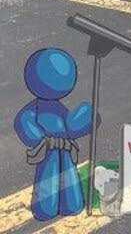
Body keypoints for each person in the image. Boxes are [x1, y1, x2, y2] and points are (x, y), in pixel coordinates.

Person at [14, 48, 94, 220]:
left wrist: (86, 117)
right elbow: (26, 120)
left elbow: (70, 124)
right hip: (49, 148)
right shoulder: (36, 108)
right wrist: (39, 137)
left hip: (62, 148)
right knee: (48, 176)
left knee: (68, 175)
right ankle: (46, 208)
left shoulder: (59, 109)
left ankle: (71, 204)